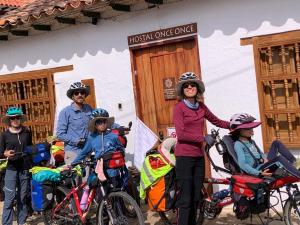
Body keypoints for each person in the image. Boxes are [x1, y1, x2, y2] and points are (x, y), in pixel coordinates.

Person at [173, 72, 230, 225]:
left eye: (192, 85)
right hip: (184, 157)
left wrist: (234, 125)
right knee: (185, 198)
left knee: (196, 197)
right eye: (186, 85)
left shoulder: (201, 107)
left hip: (199, 156)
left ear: (198, 88)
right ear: (182, 90)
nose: (190, 87)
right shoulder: (179, 108)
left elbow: (216, 121)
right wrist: (203, 138)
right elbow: (182, 134)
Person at [230, 113, 300, 178]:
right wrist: (258, 173)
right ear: (239, 130)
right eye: (248, 128)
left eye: (251, 127)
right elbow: (243, 164)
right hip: (258, 169)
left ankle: (294, 162)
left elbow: (260, 153)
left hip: (263, 164)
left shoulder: (251, 141)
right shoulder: (238, 144)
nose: (251, 130)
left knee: (276, 143)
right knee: (279, 159)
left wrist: (264, 158)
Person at [0, 107, 32, 225]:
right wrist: (5, 153)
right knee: (9, 198)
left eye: (17, 117)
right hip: (11, 169)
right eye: (12, 118)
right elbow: (0, 152)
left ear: (20, 119)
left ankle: (21, 222)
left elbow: (30, 148)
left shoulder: (27, 132)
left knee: (22, 197)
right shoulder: (4, 135)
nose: (15, 120)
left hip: (24, 168)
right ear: (9, 120)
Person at [72, 108, 124, 180]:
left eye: (104, 122)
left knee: (117, 187)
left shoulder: (113, 136)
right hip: (99, 169)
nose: (102, 124)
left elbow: (121, 150)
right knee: (92, 184)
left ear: (107, 123)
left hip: (113, 170)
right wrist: (73, 164)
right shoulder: (92, 138)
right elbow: (84, 152)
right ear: (95, 125)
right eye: (99, 122)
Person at [56, 82, 93, 164]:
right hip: (72, 152)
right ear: (72, 96)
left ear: (85, 95)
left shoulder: (89, 108)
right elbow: (60, 134)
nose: (79, 95)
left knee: (86, 177)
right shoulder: (65, 112)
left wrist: (117, 127)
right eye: (76, 93)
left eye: (82, 93)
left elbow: (100, 119)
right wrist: (77, 141)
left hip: (87, 151)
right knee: (75, 177)